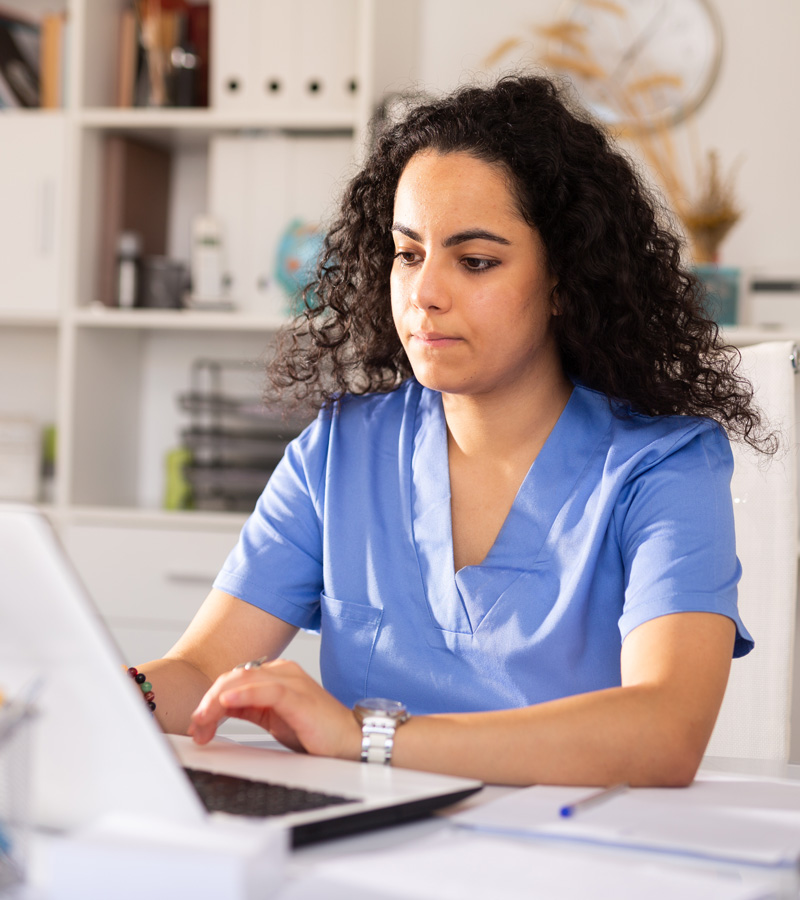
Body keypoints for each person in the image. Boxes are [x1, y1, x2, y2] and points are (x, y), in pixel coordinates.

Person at [141, 75, 769, 788]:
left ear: (565, 280)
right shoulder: (339, 452)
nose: (424, 293)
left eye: (475, 262)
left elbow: (665, 732)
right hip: (369, 851)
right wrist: (98, 689)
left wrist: (363, 736)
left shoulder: (663, 467)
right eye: (409, 253)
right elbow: (198, 668)